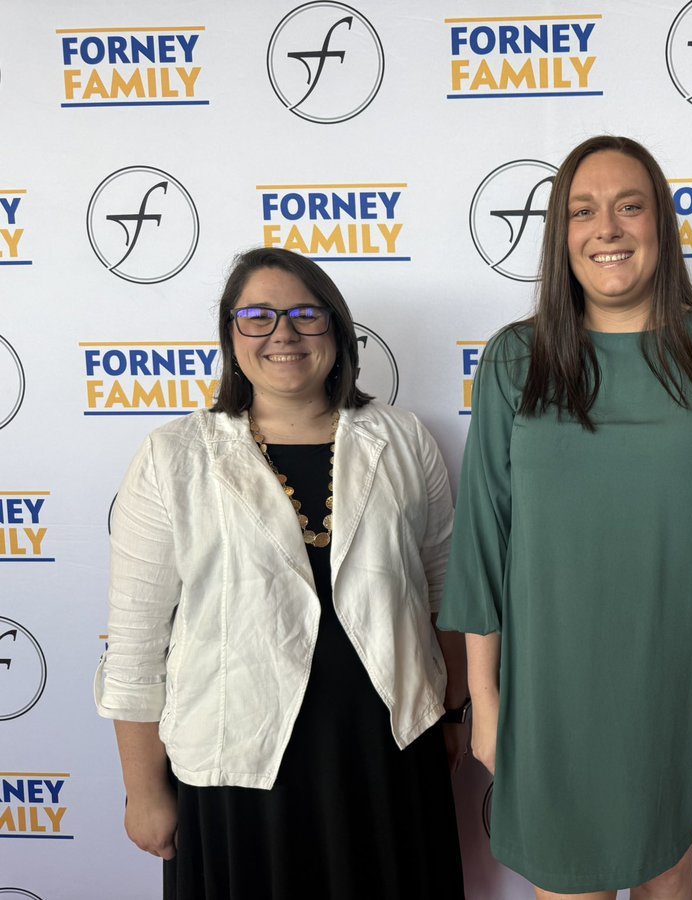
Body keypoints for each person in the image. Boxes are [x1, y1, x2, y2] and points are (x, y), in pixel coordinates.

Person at [438, 135, 692, 900]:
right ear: (560, 235)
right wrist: (486, 701)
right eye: (583, 211)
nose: (608, 228)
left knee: (668, 877)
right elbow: (483, 546)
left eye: (630, 207)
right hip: (551, 692)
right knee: (569, 885)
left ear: (660, 224)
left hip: (687, 681)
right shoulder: (513, 361)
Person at [95, 247, 467, 899]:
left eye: (304, 315)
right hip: (237, 766)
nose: (283, 334)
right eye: (258, 317)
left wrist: (450, 718)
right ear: (230, 334)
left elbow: (447, 600)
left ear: (336, 328)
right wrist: (143, 789)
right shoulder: (173, 458)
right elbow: (135, 643)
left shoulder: (404, 440)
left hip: (385, 757)